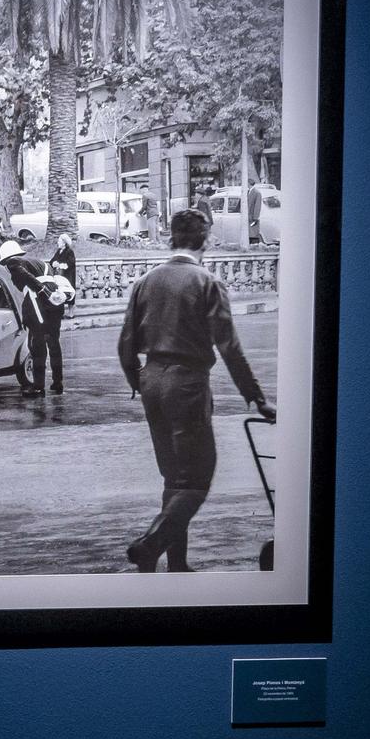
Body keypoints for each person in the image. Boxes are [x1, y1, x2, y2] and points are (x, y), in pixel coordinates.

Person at [116, 208, 274, 572]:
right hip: (187, 382)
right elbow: (229, 346)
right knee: (197, 478)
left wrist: (138, 381)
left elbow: (125, 345)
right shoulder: (207, 283)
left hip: (151, 378)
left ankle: (178, 562)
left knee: (174, 477)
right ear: (205, 239)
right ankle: (150, 545)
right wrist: (257, 397)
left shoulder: (146, 281)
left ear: (172, 238)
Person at [0, 239, 70, 395]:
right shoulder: (41, 262)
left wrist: (42, 290)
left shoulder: (13, 262)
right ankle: (58, 383)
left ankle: (38, 386)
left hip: (39, 301)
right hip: (54, 303)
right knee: (54, 343)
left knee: (37, 345)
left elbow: (26, 276)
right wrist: (49, 293)